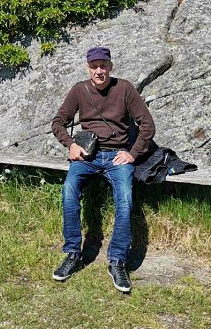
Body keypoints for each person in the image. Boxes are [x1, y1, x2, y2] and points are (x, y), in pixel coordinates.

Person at [51, 46, 155, 293]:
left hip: (117, 156)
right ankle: (73, 254)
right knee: (69, 190)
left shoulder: (125, 88)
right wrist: (71, 144)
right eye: (94, 66)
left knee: (125, 198)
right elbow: (58, 122)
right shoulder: (79, 90)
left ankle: (117, 260)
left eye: (103, 66)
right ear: (88, 68)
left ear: (110, 67)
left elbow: (147, 125)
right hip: (87, 156)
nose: (99, 71)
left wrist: (132, 153)